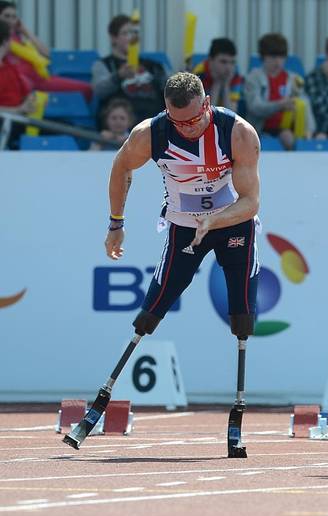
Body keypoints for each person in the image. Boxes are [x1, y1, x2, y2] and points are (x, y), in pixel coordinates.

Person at [82, 72, 261, 457]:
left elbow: (251, 201)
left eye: (195, 119)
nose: (189, 128)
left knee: (243, 313)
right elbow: (121, 167)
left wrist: (216, 219)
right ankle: (103, 395)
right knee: (153, 306)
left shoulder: (238, 132)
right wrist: (116, 223)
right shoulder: (152, 133)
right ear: (167, 112)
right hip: (184, 226)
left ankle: (238, 412)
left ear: (207, 104)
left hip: (233, 223)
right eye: (180, 122)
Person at [0, 1, 92, 100]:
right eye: (7, 16)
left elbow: (47, 54)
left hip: (40, 78)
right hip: (22, 83)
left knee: (87, 89)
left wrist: (26, 31)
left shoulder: (20, 38)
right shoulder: (3, 40)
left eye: (14, 17)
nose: (10, 20)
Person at [92, 14, 168, 124]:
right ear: (114, 38)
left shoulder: (154, 66)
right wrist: (118, 76)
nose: (131, 37)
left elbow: (171, 91)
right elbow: (99, 91)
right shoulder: (105, 64)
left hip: (156, 123)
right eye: (125, 33)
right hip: (124, 127)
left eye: (134, 33)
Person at [245, 32, 315, 150]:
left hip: (291, 127)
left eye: (281, 57)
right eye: (273, 57)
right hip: (261, 127)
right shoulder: (254, 78)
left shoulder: (294, 79)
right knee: (287, 137)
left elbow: (305, 106)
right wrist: (280, 105)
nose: (277, 61)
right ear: (263, 57)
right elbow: (254, 107)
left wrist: (310, 131)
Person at [0, 19, 34, 150]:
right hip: (6, 123)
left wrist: (30, 101)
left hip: (18, 121)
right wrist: (18, 110)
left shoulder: (10, 68)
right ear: (5, 42)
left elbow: (26, 95)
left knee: (71, 128)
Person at [193, 37, 243, 113]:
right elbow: (206, 114)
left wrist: (226, 85)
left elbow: (232, 113)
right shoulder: (198, 74)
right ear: (210, 60)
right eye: (223, 62)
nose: (228, 67)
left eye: (232, 62)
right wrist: (217, 83)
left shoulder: (234, 74)